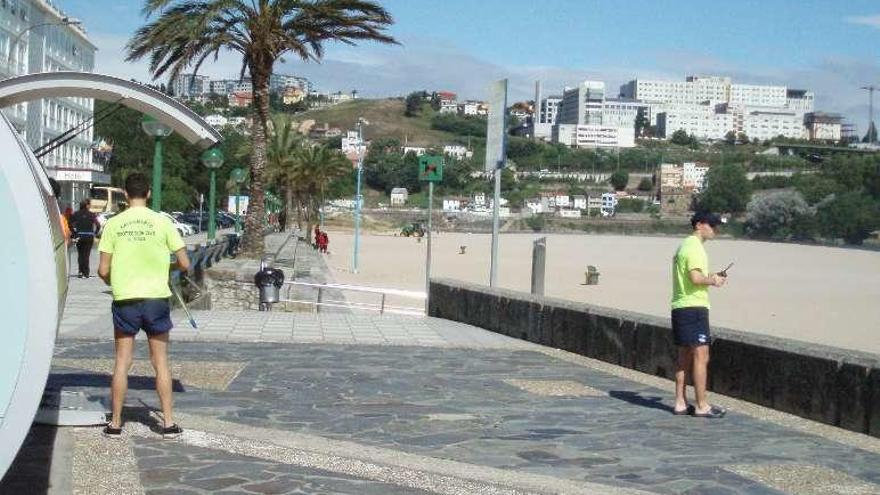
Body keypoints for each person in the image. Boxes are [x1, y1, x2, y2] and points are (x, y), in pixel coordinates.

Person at [97, 173, 191, 439]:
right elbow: (185, 264)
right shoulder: (162, 223)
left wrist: (116, 278)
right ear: (148, 193)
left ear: (125, 195)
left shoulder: (114, 224)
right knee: (160, 362)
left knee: (122, 362)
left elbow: (103, 269)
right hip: (155, 298)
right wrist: (166, 266)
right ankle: (168, 423)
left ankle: (115, 423)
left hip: (125, 299)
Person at [671, 211, 728, 419]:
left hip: (679, 306)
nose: (715, 230)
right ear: (699, 225)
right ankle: (702, 405)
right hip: (694, 308)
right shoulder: (695, 247)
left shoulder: (683, 246)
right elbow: (695, 278)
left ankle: (680, 402)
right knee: (701, 356)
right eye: (712, 225)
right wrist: (713, 280)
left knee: (684, 357)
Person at [70, 199, 100, 278]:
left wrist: (74, 233)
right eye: (89, 204)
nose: (90, 206)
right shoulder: (92, 215)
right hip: (89, 236)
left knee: (80, 254)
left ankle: (80, 272)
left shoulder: (76, 214)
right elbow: (98, 225)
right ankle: (86, 272)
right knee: (86, 255)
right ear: (87, 205)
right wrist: (95, 233)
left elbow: (69, 223)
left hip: (79, 236)